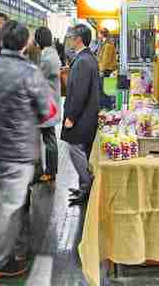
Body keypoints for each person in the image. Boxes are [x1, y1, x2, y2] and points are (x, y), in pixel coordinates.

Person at [0, 20, 52, 279]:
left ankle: (16, 251)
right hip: (17, 151)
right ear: (25, 43)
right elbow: (46, 112)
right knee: (11, 207)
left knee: (5, 204)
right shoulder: (30, 72)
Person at [61, 24, 99, 206]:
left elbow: (80, 92)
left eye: (71, 37)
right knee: (80, 150)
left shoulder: (83, 61)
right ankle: (83, 184)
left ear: (78, 39)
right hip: (85, 115)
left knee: (75, 149)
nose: (68, 40)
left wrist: (71, 116)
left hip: (81, 116)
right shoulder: (85, 58)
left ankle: (87, 186)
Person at [35, 27, 61, 183]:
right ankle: (50, 170)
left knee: (49, 138)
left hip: (46, 104)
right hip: (50, 102)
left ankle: (50, 171)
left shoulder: (47, 59)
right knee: (48, 137)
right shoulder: (51, 54)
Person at [96, 28, 118, 109]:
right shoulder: (104, 43)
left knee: (104, 90)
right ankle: (104, 106)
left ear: (102, 34)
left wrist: (101, 70)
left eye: (99, 33)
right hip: (105, 70)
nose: (98, 35)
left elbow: (105, 59)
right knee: (103, 90)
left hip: (106, 71)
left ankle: (106, 107)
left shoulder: (108, 45)